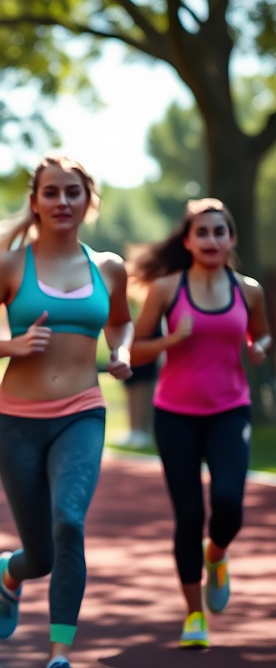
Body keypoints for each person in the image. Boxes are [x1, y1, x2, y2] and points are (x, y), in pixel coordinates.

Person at [0, 155, 133, 668]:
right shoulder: (11, 265)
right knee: (39, 553)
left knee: (70, 523)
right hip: (18, 421)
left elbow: (122, 323)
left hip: (82, 413)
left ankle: (59, 653)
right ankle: (12, 574)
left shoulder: (109, 267)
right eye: (52, 193)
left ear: (89, 200)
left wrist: (121, 351)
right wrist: (12, 348)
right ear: (35, 202)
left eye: (73, 192)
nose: (62, 202)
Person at [129, 199, 271, 650]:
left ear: (231, 239)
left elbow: (262, 332)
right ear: (188, 241)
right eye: (202, 232)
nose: (212, 240)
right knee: (189, 514)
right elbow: (135, 351)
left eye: (219, 232)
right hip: (175, 415)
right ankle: (194, 614)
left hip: (230, 410)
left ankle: (218, 555)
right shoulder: (168, 289)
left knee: (228, 504)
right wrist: (170, 339)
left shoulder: (248, 290)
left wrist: (260, 347)